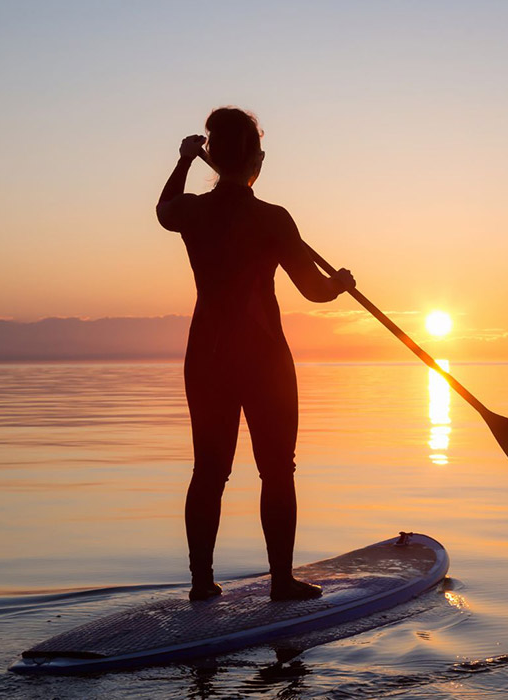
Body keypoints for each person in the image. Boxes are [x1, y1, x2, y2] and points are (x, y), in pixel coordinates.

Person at [156, 107, 354, 602]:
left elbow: (165, 208)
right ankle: (281, 580)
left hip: (206, 356)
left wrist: (181, 160)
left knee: (208, 471)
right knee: (277, 469)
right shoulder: (273, 219)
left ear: (212, 157)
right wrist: (342, 285)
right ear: (255, 160)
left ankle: (202, 584)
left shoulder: (194, 212)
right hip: (264, 359)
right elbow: (312, 290)